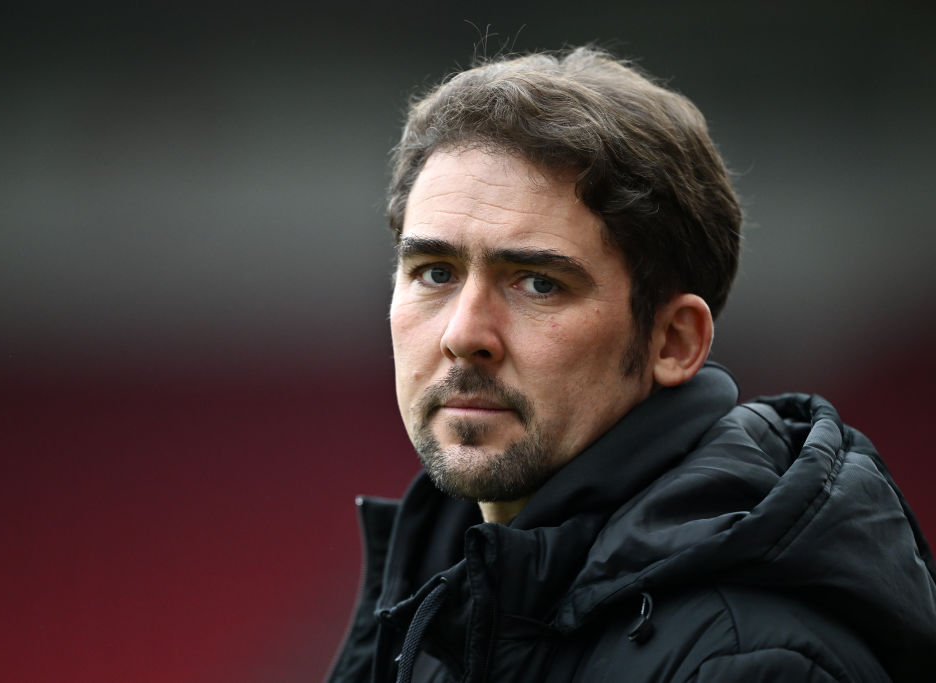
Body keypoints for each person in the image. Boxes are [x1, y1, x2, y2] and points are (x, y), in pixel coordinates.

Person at [327, 47, 936, 682]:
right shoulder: (444, 601)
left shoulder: (749, 660)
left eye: (537, 284)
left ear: (672, 342)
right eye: (435, 272)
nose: (463, 334)